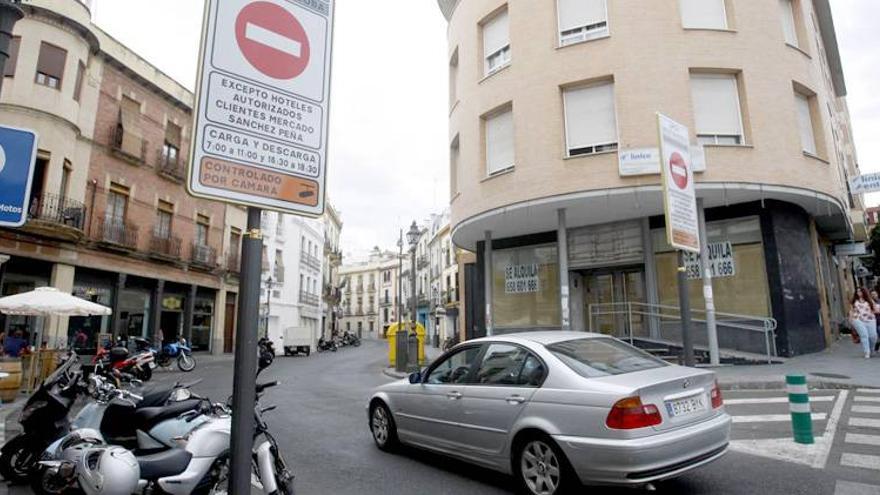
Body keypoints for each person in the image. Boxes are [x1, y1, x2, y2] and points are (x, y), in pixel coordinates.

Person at [849, 288, 879, 359]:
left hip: (870, 319)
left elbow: (875, 309)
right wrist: (851, 318)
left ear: (864, 292)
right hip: (858, 319)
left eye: (860, 291)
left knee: (873, 336)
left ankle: (871, 350)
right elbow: (851, 310)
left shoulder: (870, 301)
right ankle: (867, 352)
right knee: (864, 335)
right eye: (857, 291)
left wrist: (874, 311)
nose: (858, 293)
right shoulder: (854, 301)